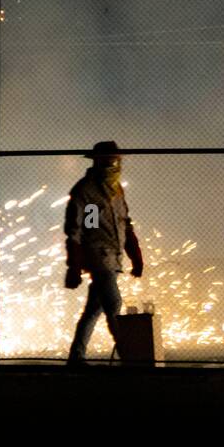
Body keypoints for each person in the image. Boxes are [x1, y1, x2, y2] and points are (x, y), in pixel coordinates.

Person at [64, 141, 144, 364]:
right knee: (114, 306)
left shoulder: (116, 190)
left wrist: (136, 258)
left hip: (113, 258)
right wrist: (76, 265)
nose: (114, 163)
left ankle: (76, 357)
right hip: (99, 258)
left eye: (115, 159)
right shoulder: (87, 191)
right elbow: (82, 232)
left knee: (93, 310)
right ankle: (131, 356)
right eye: (109, 159)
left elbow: (125, 226)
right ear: (97, 161)